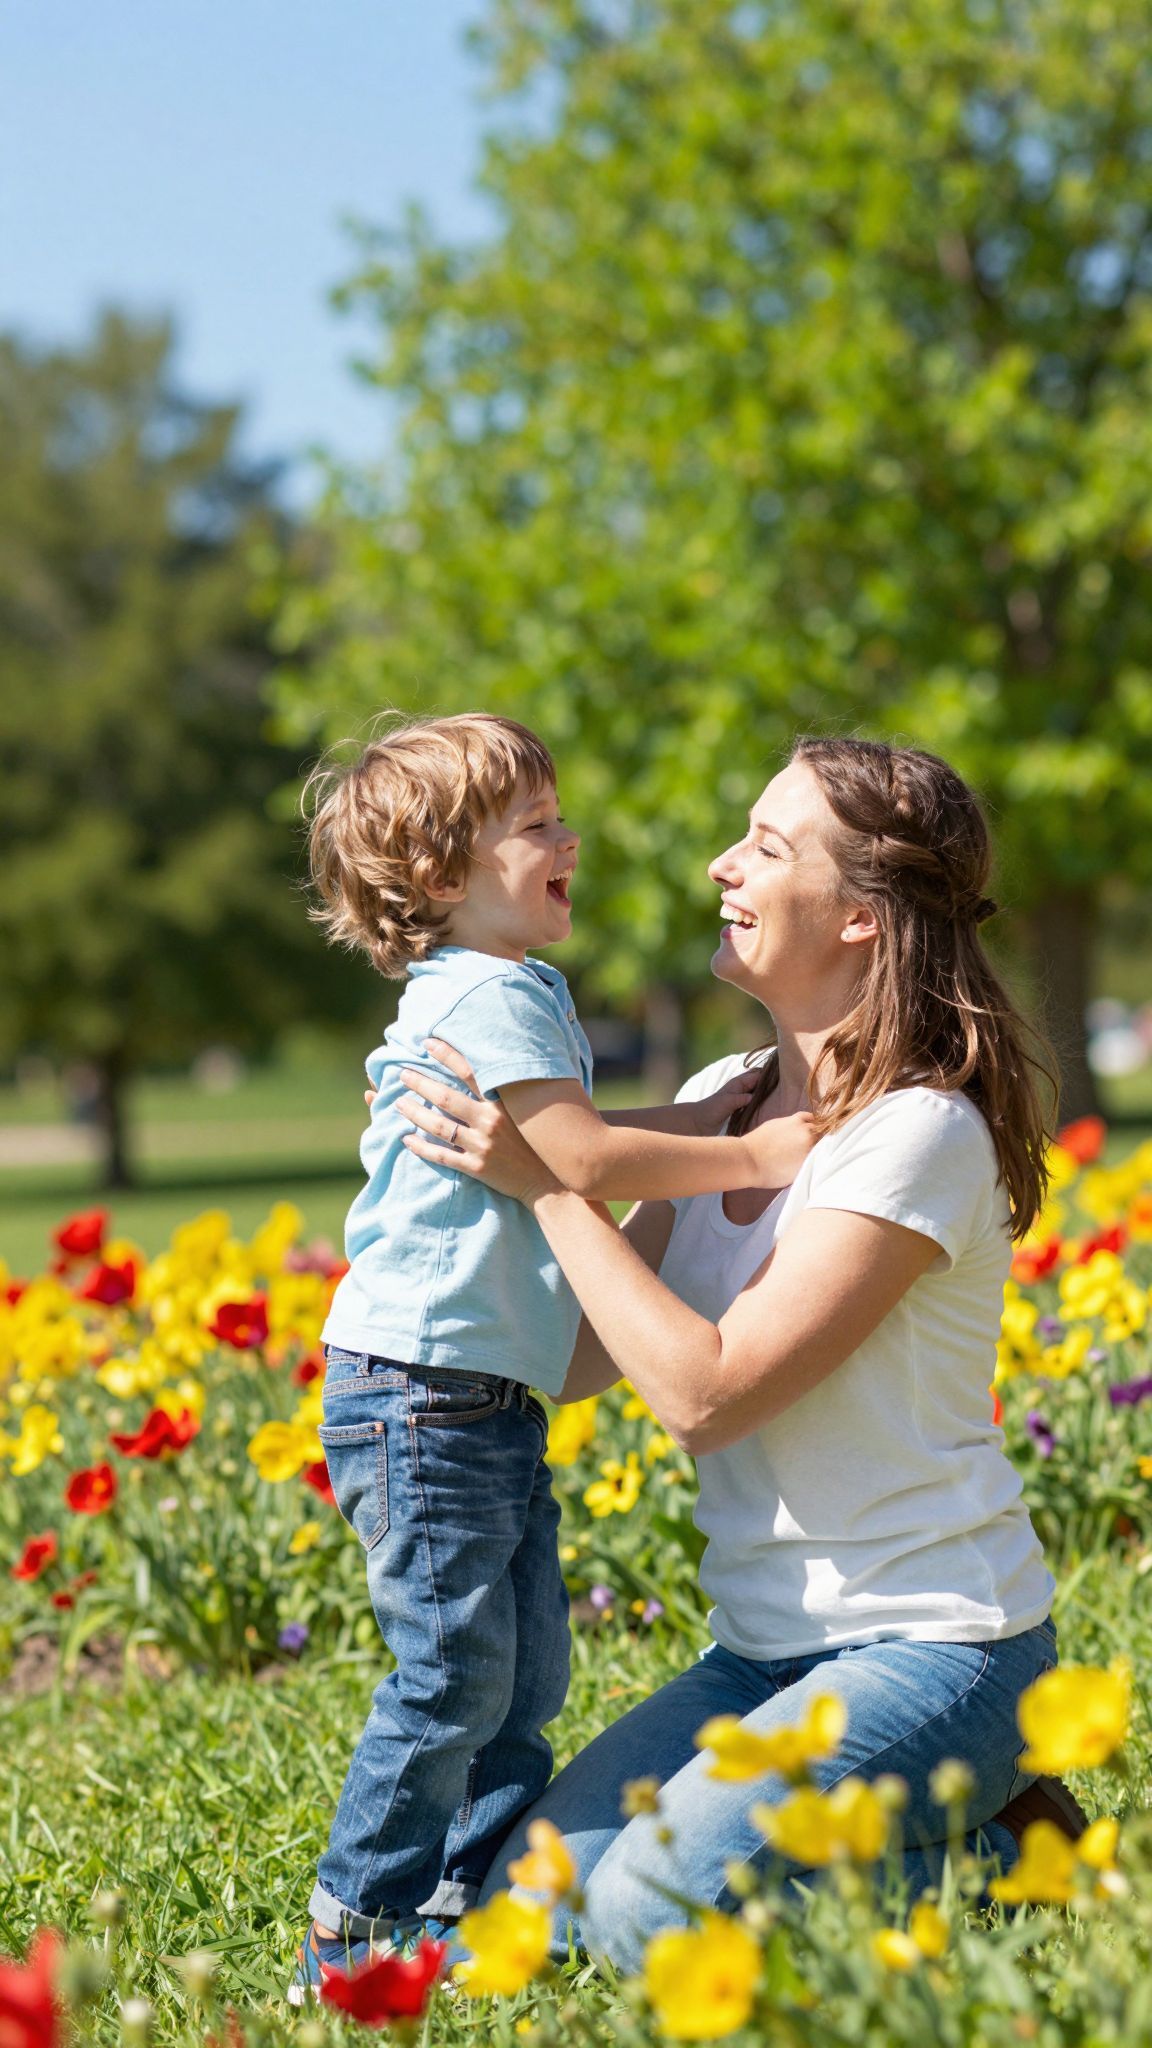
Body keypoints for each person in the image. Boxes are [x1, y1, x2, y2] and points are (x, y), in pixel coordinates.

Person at [394, 735, 1087, 1975]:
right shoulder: (725, 1099)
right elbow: (587, 1361)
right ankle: (913, 1837)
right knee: (524, 1916)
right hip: (760, 1656)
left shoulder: (918, 1132)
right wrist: (444, 1221)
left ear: (862, 915)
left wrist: (548, 1182)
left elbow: (706, 1395)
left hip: (941, 1649)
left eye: (766, 847)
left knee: (646, 1916)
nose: (723, 863)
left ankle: (1012, 1851)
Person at [289, 712, 814, 1999]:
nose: (568, 838)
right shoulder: (491, 992)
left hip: (468, 1397)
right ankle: (353, 1922)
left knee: (524, 1671)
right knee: (455, 1673)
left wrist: (694, 1111)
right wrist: (750, 1148)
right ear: (441, 874)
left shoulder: (504, 989)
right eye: (535, 826)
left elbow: (565, 1127)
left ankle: (469, 1894)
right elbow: (574, 1157)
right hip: (422, 1394)